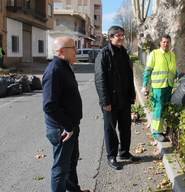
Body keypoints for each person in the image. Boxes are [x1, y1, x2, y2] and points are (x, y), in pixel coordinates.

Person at [42, 36, 89, 192]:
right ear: (62, 51)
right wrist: (68, 127)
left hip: (71, 126)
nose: (76, 51)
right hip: (62, 129)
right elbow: (49, 105)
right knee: (60, 170)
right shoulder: (54, 71)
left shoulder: (65, 66)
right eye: (73, 48)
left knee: (71, 162)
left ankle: (74, 190)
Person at [95, 26, 138, 170]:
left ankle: (124, 152)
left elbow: (129, 75)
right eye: (117, 35)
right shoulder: (104, 54)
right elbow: (100, 79)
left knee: (126, 128)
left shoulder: (123, 52)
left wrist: (132, 94)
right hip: (110, 101)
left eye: (122, 35)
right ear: (110, 37)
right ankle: (111, 156)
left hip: (124, 99)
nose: (121, 37)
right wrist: (105, 101)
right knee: (110, 129)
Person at [141, 35, 177, 142]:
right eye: (164, 42)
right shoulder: (155, 54)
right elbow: (148, 70)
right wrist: (144, 85)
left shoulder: (172, 55)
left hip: (169, 85)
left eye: (168, 42)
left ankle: (162, 129)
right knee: (159, 108)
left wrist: (179, 75)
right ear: (160, 43)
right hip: (158, 86)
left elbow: (173, 70)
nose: (166, 44)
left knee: (165, 108)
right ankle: (156, 131)